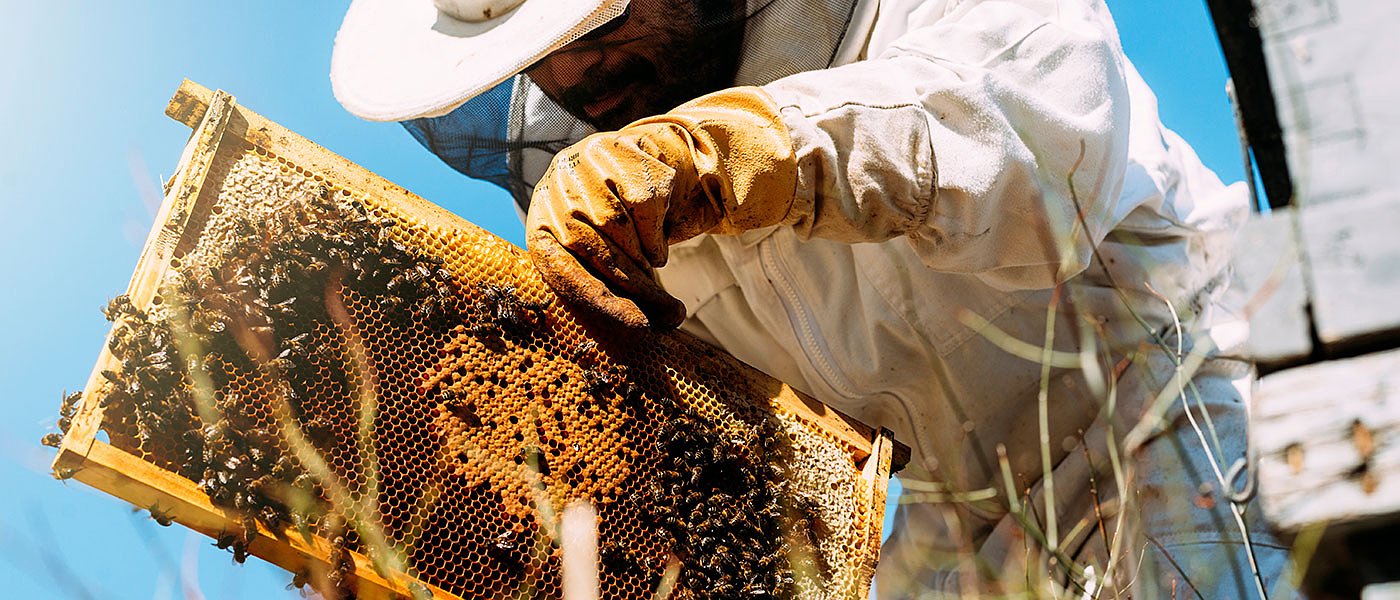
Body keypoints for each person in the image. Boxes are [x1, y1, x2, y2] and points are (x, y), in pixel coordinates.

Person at [331, 0, 1296, 596]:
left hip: (1180, 399)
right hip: (959, 528)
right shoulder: (613, 187)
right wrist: (430, 517)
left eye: (592, 23)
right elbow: (688, 463)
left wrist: (741, 152)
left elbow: (1045, 148)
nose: (567, 77)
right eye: (528, 57)